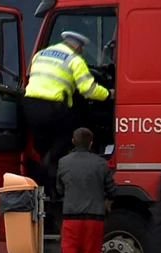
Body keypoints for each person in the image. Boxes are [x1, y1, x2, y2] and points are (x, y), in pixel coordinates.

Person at [23, 31, 115, 194]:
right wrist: (109, 94)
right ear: (78, 47)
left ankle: (48, 183)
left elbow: (34, 77)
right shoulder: (75, 60)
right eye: (82, 50)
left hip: (29, 106)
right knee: (72, 128)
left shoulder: (40, 54)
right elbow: (89, 90)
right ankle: (53, 159)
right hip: (53, 108)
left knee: (44, 144)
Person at [56, 127, 116, 253]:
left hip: (71, 219)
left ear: (73, 142)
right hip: (95, 219)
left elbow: (59, 189)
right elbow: (112, 191)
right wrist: (106, 202)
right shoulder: (101, 164)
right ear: (91, 144)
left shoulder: (63, 162)